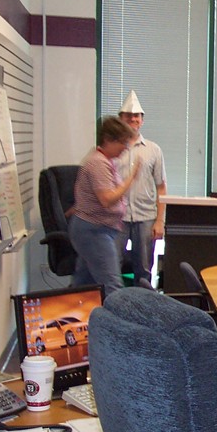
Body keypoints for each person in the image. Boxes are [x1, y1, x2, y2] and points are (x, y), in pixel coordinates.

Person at [69, 116, 140, 296]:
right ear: (108, 140)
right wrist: (130, 179)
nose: (125, 148)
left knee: (84, 284)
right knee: (112, 286)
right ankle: (118, 316)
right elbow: (107, 199)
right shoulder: (98, 163)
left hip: (96, 229)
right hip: (95, 231)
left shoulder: (104, 161)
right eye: (122, 142)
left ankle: (75, 312)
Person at [114, 90, 167, 286]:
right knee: (112, 267)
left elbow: (161, 188)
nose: (132, 119)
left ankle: (143, 303)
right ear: (120, 119)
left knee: (144, 270)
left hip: (145, 217)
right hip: (117, 217)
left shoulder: (153, 150)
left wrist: (160, 221)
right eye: (128, 115)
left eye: (136, 116)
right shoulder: (113, 149)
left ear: (142, 120)